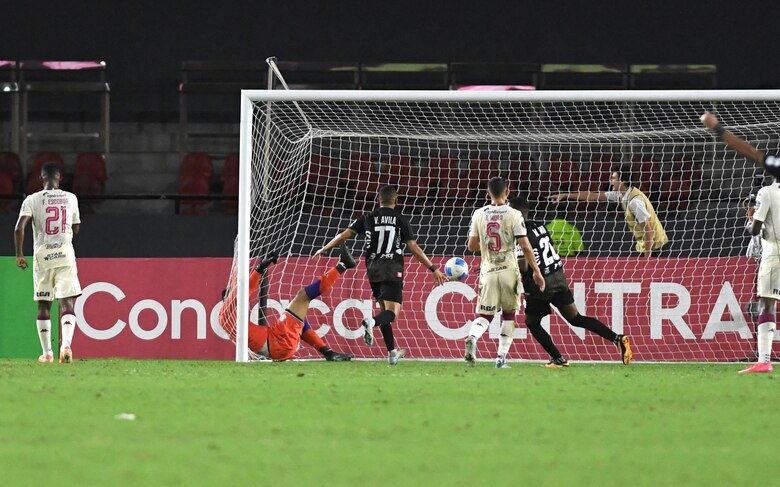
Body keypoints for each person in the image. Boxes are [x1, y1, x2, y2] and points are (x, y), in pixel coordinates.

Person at [315, 185, 447, 365]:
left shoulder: (368, 218)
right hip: (392, 267)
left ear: (378, 201)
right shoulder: (400, 219)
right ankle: (371, 321)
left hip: (373, 268)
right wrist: (433, 269)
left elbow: (343, 235)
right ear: (396, 201)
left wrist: (325, 248)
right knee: (393, 313)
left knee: (385, 310)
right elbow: (414, 248)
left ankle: (392, 353)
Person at [508, 196, 633, 367]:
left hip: (540, 281)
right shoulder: (540, 226)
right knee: (575, 317)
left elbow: (524, 266)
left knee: (532, 322)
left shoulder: (520, 233)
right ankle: (617, 339)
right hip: (558, 275)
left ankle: (558, 359)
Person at [701, 111, 776, 373]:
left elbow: (749, 151)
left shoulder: (767, 191)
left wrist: (718, 129)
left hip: (774, 253)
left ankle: (764, 360)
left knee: (767, 302)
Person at [218, 246, 355, 361]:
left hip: (276, 344)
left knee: (298, 318)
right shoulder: (226, 311)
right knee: (303, 297)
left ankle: (329, 353)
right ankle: (343, 265)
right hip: (276, 341)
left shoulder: (228, 318)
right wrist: (260, 269)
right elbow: (244, 292)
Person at [464, 177, 545, 368]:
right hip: (509, 269)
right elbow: (525, 246)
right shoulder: (514, 214)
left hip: (488, 270)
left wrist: (487, 244)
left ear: (488, 193)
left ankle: (473, 337)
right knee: (509, 315)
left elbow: (471, 245)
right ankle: (500, 359)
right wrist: (536, 271)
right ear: (507, 193)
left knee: (485, 315)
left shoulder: (478, 214)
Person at [14, 162, 81, 364]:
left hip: (42, 255)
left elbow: (19, 229)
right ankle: (66, 344)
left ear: (41, 179)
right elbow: (76, 228)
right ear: (60, 178)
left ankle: (47, 353)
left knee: (44, 305)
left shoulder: (32, 200)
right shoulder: (71, 198)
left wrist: (19, 254)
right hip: (65, 253)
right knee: (66, 302)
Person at [548, 164, 668, 257]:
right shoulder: (621, 194)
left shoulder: (635, 201)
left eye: (613, 178)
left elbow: (648, 228)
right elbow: (594, 196)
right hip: (647, 246)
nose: (611, 180)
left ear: (622, 181)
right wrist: (565, 195)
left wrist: (647, 259)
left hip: (655, 247)